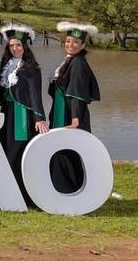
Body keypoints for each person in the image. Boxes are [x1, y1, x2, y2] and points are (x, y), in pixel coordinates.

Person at [49, 21, 101, 194]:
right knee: (59, 149)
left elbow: (77, 94)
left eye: (76, 42)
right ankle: (60, 185)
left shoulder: (78, 64)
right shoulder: (70, 60)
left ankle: (69, 187)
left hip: (69, 114)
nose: (70, 45)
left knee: (68, 151)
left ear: (83, 45)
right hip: (61, 110)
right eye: (68, 41)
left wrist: (75, 119)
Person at [0, 23, 48, 195]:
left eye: (18, 45)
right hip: (8, 113)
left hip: (22, 115)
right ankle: (6, 187)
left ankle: (21, 191)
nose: (15, 48)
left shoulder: (30, 68)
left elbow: (35, 94)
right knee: (5, 146)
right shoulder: (6, 65)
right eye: (11, 45)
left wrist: (39, 118)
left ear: (25, 46)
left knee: (19, 149)